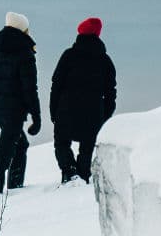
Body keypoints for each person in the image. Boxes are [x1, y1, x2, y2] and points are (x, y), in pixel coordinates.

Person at [49, 16, 117, 184]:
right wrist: (105, 116)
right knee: (87, 148)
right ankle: (83, 176)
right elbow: (111, 92)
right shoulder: (105, 60)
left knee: (61, 143)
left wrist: (53, 110)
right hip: (93, 113)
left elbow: (56, 84)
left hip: (66, 109)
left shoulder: (68, 56)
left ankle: (70, 173)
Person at [0, 11, 39, 197]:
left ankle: (14, 187)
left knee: (20, 145)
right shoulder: (25, 54)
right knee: (3, 154)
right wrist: (36, 117)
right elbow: (30, 89)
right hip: (13, 112)